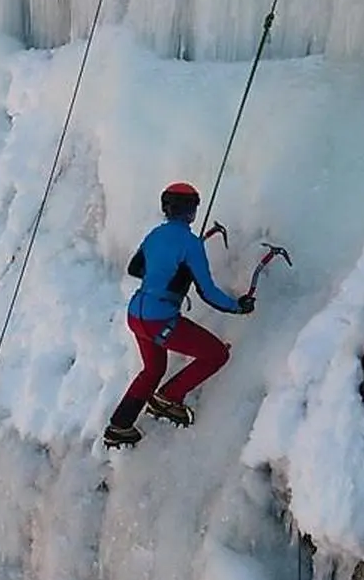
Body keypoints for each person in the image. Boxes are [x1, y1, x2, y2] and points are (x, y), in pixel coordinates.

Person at [104, 182, 256, 448]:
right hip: (159, 320)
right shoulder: (191, 244)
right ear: (192, 211)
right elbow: (207, 292)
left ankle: (119, 426)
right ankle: (169, 398)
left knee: (153, 369)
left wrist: (168, 277)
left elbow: (135, 268)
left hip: (136, 314)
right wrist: (238, 306)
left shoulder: (154, 235)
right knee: (216, 354)